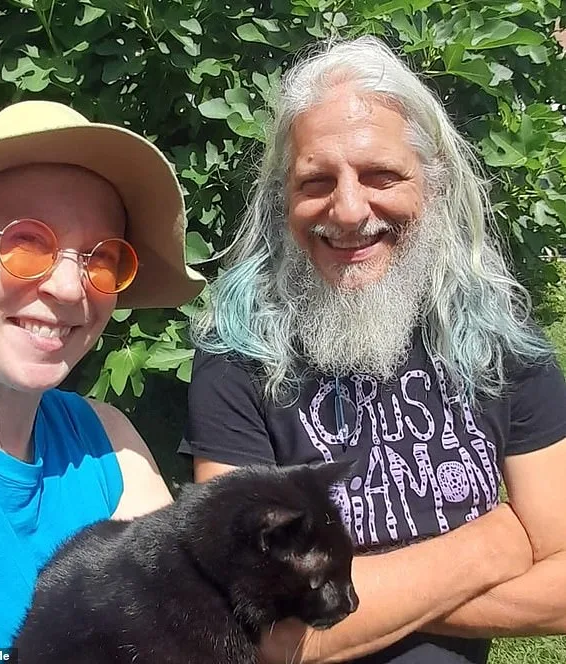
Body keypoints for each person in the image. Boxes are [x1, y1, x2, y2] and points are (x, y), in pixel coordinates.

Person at [180, 36, 566, 664]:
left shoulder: (497, 338)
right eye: (316, 181)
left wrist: (341, 596)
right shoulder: (239, 355)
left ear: (434, 185)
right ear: (283, 201)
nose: (349, 209)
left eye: (381, 175)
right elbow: (261, 629)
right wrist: (489, 546)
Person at [0, 100, 205, 649]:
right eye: (26, 241)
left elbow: (186, 638)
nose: (68, 287)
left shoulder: (106, 442)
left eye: (101, 258)